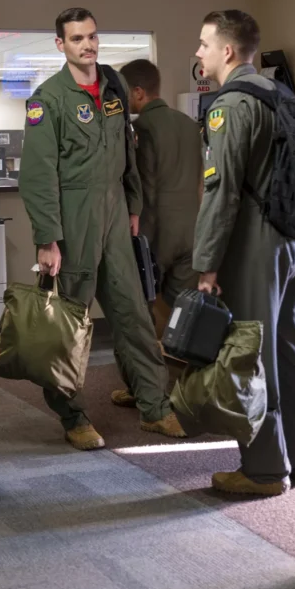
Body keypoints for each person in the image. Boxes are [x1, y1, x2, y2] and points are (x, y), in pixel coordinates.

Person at [19, 7, 186, 450]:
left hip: (114, 212)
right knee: (69, 323)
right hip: (73, 216)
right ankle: (72, 415)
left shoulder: (112, 86)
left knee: (133, 310)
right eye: (77, 39)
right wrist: (46, 238)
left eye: (92, 36)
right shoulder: (47, 99)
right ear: (61, 45)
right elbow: (38, 174)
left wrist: (133, 203)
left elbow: (126, 151)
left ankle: (155, 405)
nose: (87, 45)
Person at [193, 9, 295, 496]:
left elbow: (221, 191)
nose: (199, 53)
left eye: (204, 44)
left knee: (252, 353)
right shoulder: (281, 94)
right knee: (294, 347)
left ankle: (265, 469)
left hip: (255, 243)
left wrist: (205, 264)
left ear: (227, 51)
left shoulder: (230, 105)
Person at [110, 58, 203, 409]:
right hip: (191, 230)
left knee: (137, 316)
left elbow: (141, 185)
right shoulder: (188, 123)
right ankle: (191, 392)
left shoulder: (141, 129)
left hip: (152, 232)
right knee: (186, 317)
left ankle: (143, 389)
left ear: (138, 92)